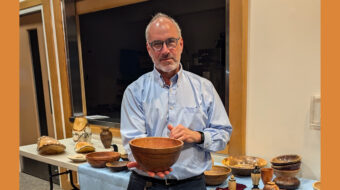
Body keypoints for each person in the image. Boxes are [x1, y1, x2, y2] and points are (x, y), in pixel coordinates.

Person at [120, 12, 232, 190]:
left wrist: (197, 136)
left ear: (180, 44)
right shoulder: (135, 91)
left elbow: (223, 135)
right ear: (149, 49)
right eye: (157, 44)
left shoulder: (205, 88)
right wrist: (144, 161)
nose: (165, 50)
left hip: (191, 185)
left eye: (170, 41)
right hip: (146, 183)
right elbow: (133, 141)